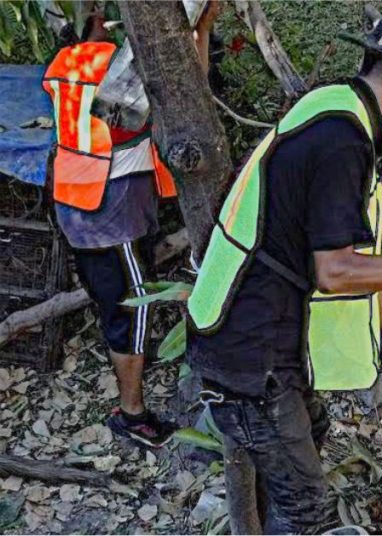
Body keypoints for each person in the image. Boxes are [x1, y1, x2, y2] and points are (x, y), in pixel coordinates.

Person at [185, 9, 382, 534]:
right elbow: (337, 273)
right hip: (251, 355)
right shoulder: (343, 141)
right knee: (306, 511)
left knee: (305, 445)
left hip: (254, 340)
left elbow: (360, 265)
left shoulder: (331, 109)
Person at [41, 2, 217, 448]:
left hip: (80, 207)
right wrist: (202, 29)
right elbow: (187, 92)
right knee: (132, 311)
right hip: (111, 214)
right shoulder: (116, 76)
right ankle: (132, 414)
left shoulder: (67, 64)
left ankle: (130, 405)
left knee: (117, 307)